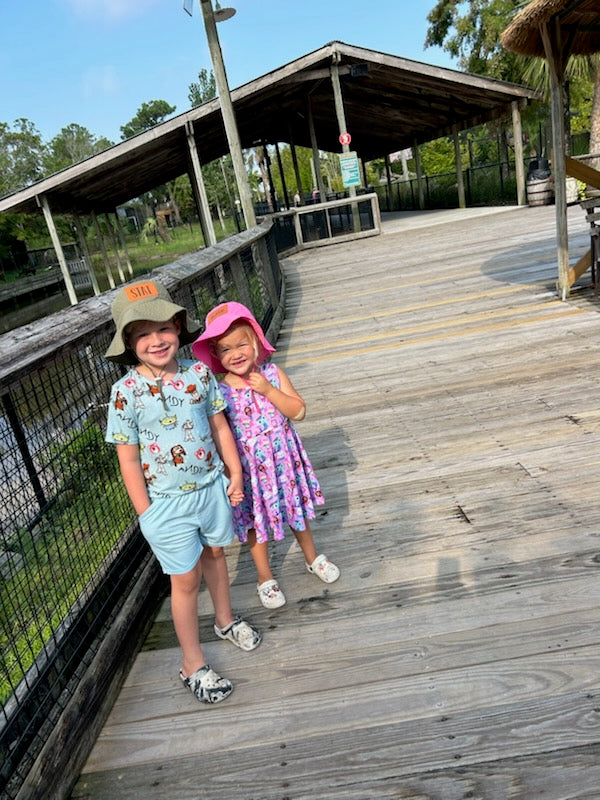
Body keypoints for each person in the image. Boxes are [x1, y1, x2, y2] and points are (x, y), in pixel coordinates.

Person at [104, 280, 261, 706]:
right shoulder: (124, 394)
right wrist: (146, 513)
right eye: (142, 333)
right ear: (128, 343)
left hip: (211, 488)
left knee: (216, 554)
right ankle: (191, 663)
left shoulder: (198, 374)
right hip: (165, 506)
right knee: (185, 579)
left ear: (177, 328)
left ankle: (224, 620)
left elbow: (219, 427)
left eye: (163, 328)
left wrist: (235, 474)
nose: (156, 340)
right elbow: (128, 459)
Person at [192, 301, 339, 610]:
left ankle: (312, 558)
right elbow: (217, 435)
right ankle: (265, 577)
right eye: (225, 349)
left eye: (241, 344)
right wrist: (230, 475)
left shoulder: (272, 373)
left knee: (295, 511)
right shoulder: (219, 391)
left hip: (283, 464)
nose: (235, 354)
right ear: (216, 355)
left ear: (255, 343)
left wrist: (269, 390)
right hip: (249, 472)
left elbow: (298, 411)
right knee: (254, 524)